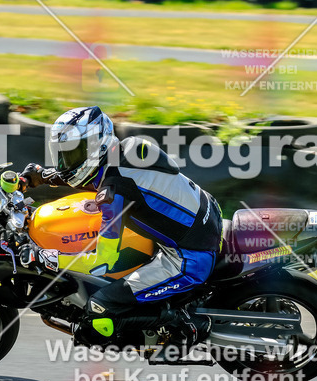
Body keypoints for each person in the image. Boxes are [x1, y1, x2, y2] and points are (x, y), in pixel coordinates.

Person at [18, 106, 221, 351]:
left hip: (189, 258)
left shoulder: (115, 193)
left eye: (71, 154)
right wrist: (46, 176)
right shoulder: (129, 149)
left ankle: (184, 323)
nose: (65, 162)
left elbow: (103, 261)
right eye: (62, 155)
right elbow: (98, 176)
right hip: (208, 213)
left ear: (96, 147)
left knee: (99, 307)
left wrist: (46, 258)